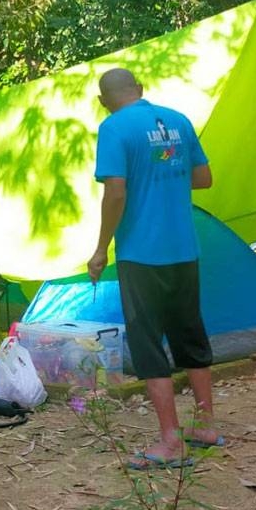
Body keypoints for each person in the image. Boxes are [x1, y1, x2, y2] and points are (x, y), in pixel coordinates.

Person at [87, 68, 221, 470]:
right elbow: (203, 177)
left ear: (102, 100)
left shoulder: (113, 128)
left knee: (148, 344)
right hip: (184, 249)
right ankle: (205, 427)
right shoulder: (177, 121)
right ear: (141, 91)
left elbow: (115, 192)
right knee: (189, 334)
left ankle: (170, 441)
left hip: (142, 254)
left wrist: (100, 248)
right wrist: (165, 176)